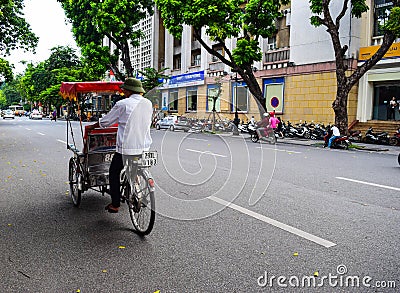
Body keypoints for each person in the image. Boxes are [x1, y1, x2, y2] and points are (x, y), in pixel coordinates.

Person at [86, 78, 153, 213]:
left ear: (128, 90)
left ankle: (115, 204)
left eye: (124, 90)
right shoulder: (148, 103)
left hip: (126, 149)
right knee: (135, 167)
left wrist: (92, 126)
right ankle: (136, 184)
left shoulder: (123, 104)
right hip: (144, 147)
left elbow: (106, 122)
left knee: (114, 172)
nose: (123, 92)